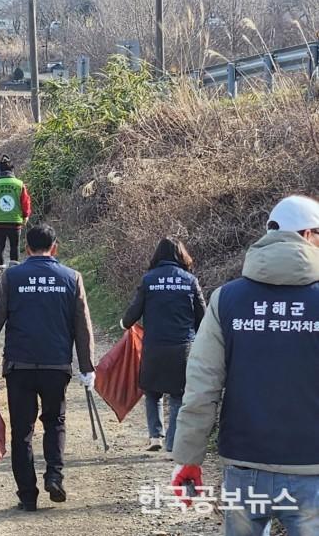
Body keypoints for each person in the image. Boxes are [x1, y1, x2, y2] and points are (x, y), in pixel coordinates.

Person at [171, 194, 319, 535]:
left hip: (245, 465)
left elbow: (202, 384)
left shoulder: (228, 299)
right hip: (311, 468)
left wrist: (189, 457)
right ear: (308, 235)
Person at [0, 224, 96, 512]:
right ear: (54, 247)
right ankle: (55, 477)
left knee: (22, 430)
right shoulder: (72, 278)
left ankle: (27, 495)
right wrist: (87, 367)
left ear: (27, 249)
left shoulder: (13, 276)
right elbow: (82, 327)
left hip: (19, 366)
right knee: (55, 421)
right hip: (56, 365)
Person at [121, 237, 206, 454]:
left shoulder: (149, 279)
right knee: (177, 395)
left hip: (154, 346)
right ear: (181, 255)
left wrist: (124, 323)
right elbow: (202, 318)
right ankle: (172, 442)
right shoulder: (190, 280)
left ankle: (155, 436)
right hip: (182, 347)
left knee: (152, 392)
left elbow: (134, 311)